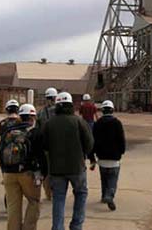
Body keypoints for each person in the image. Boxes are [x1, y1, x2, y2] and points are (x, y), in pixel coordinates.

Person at [43, 92, 94, 230]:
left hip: (56, 169)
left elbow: (44, 145)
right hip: (77, 167)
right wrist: (85, 155)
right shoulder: (79, 121)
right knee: (81, 193)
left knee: (58, 198)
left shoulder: (49, 123)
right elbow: (89, 144)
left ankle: (57, 227)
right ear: (71, 105)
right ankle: (76, 225)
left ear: (57, 105)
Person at [0, 104, 47, 230]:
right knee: (34, 202)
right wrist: (43, 173)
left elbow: (0, 151)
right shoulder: (35, 133)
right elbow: (41, 155)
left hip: (8, 173)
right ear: (33, 117)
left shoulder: (8, 132)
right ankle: (28, 228)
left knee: (13, 205)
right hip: (28, 173)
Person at [90, 100, 126, 211]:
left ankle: (103, 195)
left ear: (102, 111)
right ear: (112, 110)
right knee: (112, 180)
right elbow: (121, 140)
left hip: (101, 157)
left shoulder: (97, 124)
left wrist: (92, 157)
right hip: (114, 158)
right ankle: (109, 195)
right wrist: (121, 151)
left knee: (104, 178)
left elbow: (92, 141)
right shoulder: (117, 123)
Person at [37, 87, 57, 201]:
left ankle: (49, 193)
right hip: (57, 146)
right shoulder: (60, 111)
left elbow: (37, 130)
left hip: (46, 146)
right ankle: (54, 192)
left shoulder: (41, 112)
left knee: (47, 171)